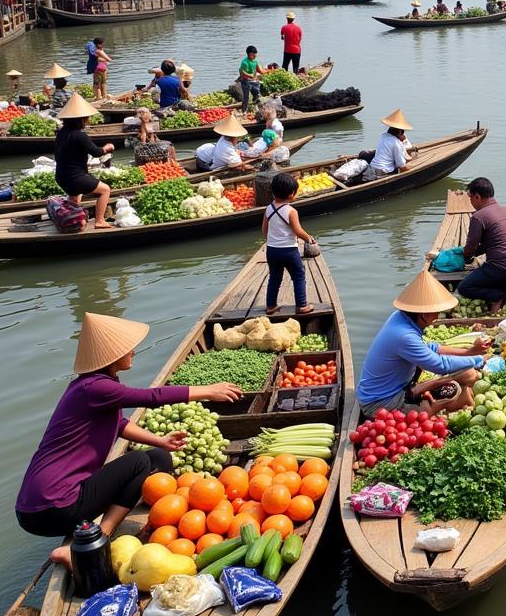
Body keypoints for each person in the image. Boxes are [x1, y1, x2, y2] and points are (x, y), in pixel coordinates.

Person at [16, 313, 241, 566]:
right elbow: (151, 397)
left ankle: (158, 517)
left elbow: (120, 424)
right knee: (137, 462)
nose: (133, 351)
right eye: (127, 348)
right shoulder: (95, 388)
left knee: (158, 457)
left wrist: (160, 441)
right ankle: (92, 543)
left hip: (51, 502)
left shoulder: (93, 386)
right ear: (112, 355)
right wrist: (208, 391)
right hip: (50, 508)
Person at [356, 270, 490, 418]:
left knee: (468, 374)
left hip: (402, 387)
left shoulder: (401, 317)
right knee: (429, 410)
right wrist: (478, 360)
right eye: (436, 312)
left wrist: (470, 351)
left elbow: (431, 347)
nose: (438, 316)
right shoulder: (403, 335)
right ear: (424, 314)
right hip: (380, 403)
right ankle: (429, 402)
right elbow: (439, 365)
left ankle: (423, 392)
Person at [457, 179, 506, 309]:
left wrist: (461, 255)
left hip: (499, 270)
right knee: (490, 273)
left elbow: (470, 248)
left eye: (470, 198)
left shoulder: (479, 216)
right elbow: (494, 243)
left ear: (477, 196)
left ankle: (497, 295)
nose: (470, 202)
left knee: (464, 287)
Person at [53, 95, 115, 228]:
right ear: (80, 119)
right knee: (105, 190)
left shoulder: (61, 132)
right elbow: (97, 152)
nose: (87, 120)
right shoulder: (80, 135)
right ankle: (99, 221)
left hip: (61, 176)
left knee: (74, 196)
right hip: (75, 178)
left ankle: (73, 219)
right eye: (86, 118)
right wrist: (107, 147)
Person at [261, 171, 316, 316]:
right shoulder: (291, 211)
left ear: (273, 192)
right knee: (298, 275)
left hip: (272, 250)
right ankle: (302, 306)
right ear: (292, 194)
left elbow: (264, 230)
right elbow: (298, 231)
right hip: (289, 251)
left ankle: (271, 306)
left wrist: (273, 240)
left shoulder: (268, 209)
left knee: (274, 277)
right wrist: (309, 238)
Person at [370, 109, 414, 175]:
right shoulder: (396, 143)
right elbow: (401, 165)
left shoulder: (383, 136)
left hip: (372, 167)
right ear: (400, 133)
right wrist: (410, 165)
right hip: (383, 171)